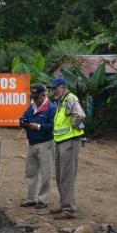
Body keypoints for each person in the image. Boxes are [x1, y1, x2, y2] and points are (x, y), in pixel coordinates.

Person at [49, 76, 85, 220]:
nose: (53, 91)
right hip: (60, 141)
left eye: (55, 88)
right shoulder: (61, 101)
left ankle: (69, 209)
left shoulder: (70, 99)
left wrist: (75, 126)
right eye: (52, 89)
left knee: (67, 177)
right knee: (60, 175)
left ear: (63, 87)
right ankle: (64, 204)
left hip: (69, 142)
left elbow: (80, 115)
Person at [18, 84, 57, 209]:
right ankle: (31, 199)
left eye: (36, 97)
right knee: (30, 172)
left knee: (46, 173)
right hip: (31, 143)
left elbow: (52, 127)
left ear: (43, 95)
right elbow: (23, 117)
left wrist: (38, 127)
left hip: (45, 143)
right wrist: (22, 122)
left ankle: (43, 200)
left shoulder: (51, 108)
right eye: (33, 97)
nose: (34, 99)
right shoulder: (32, 107)